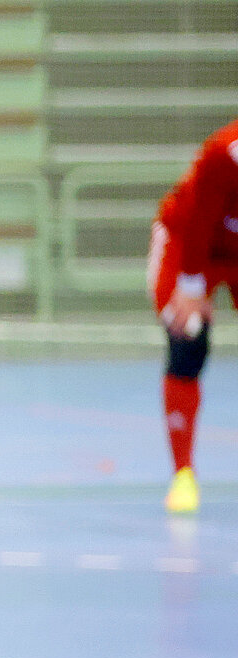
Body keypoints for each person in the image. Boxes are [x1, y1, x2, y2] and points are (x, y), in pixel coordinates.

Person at [151, 118, 238, 514]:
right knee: (188, 339)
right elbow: (202, 215)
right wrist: (190, 287)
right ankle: (183, 474)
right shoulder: (226, 151)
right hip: (188, 239)